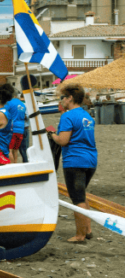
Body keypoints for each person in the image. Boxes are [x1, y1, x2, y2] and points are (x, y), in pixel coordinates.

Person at [48, 84, 98, 243]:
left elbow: (63, 140)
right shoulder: (86, 116)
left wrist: (52, 134)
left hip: (75, 161)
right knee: (82, 195)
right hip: (90, 160)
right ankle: (88, 229)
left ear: (70, 98)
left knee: (77, 199)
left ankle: (80, 235)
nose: (61, 100)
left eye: (62, 97)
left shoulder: (67, 116)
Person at [5, 92, 27, 163]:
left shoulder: (10, 103)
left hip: (12, 129)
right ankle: (15, 163)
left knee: (9, 150)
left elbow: (5, 113)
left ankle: (12, 166)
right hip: (21, 129)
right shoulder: (22, 105)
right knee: (16, 150)